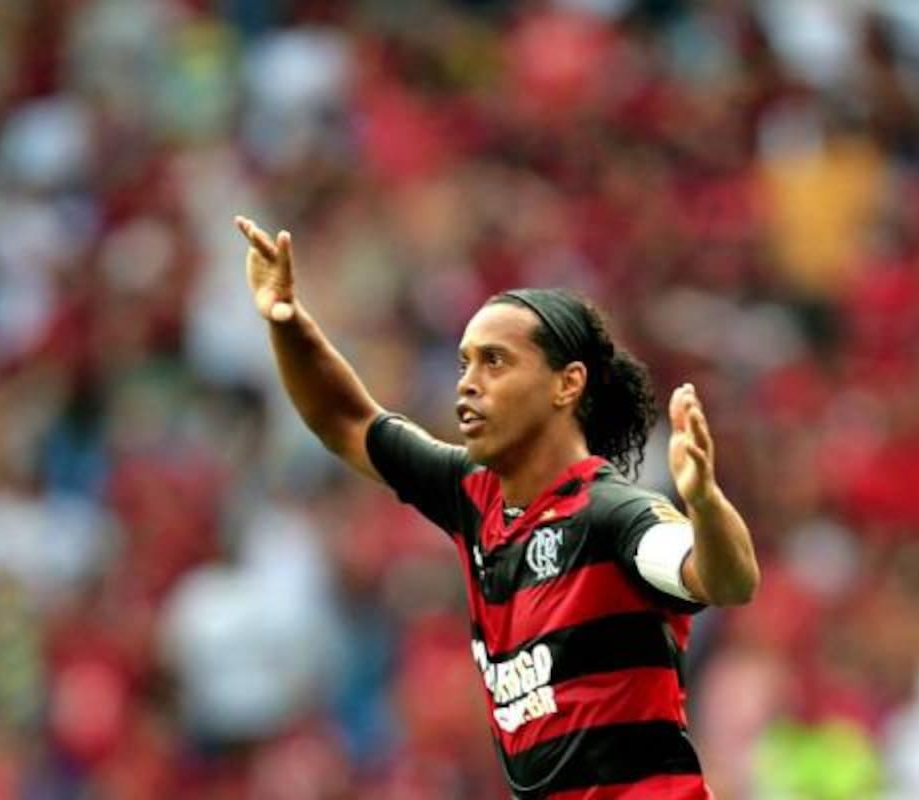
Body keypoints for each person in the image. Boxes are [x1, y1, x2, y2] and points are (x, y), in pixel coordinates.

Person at [234, 215, 760, 799]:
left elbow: (726, 579)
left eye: (495, 362)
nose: (467, 383)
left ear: (567, 385)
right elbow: (348, 422)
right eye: (464, 363)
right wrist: (285, 318)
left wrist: (705, 502)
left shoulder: (611, 514)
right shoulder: (474, 498)